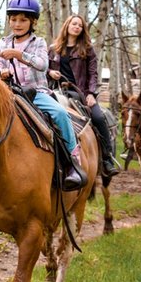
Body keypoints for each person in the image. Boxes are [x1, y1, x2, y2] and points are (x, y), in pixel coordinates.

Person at [0, 0, 87, 189]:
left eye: (23, 20)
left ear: (32, 21)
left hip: (36, 93)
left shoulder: (39, 43)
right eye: (14, 19)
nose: (17, 24)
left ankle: (72, 161)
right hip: (7, 94)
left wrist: (20, 55)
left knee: (60, 113)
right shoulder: (1, 43)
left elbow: (42, 65)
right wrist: (0, 73)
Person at [48, 14, 119, 178]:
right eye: (74, 24)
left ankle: (107, 159)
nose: (77, 27)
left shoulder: (87, 49)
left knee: (99, 118)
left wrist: (91, 94)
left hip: (80, 93)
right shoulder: (53, 49)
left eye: (80, 25)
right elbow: (43, 68)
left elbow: (93, 74)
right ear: (67, 25)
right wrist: (50, 72)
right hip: (56, 91)